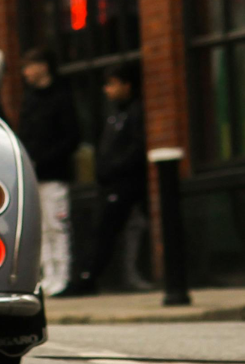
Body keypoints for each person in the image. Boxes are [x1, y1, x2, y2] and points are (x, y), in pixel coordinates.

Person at [77, 62, 147, 297]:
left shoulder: (135, 112)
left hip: (124, 182)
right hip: (109, 182)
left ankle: (91, 276)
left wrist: (113, 168)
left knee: (111, 230)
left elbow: (136, 149)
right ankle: (90, 275)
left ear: (128, 85)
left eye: (112, 84)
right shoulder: (115, 114)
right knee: (106, 230)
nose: (107, 90)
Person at [16, 49, 82, 297]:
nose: (26, 73)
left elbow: (72, 136)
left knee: (56, 225)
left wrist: (43, 159)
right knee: (41, 227)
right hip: (35, 174)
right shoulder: (30, 99)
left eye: (30, 66)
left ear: (43, 66)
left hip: (54, 173)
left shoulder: (61, 97)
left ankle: (62, 275)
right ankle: (48, 275)